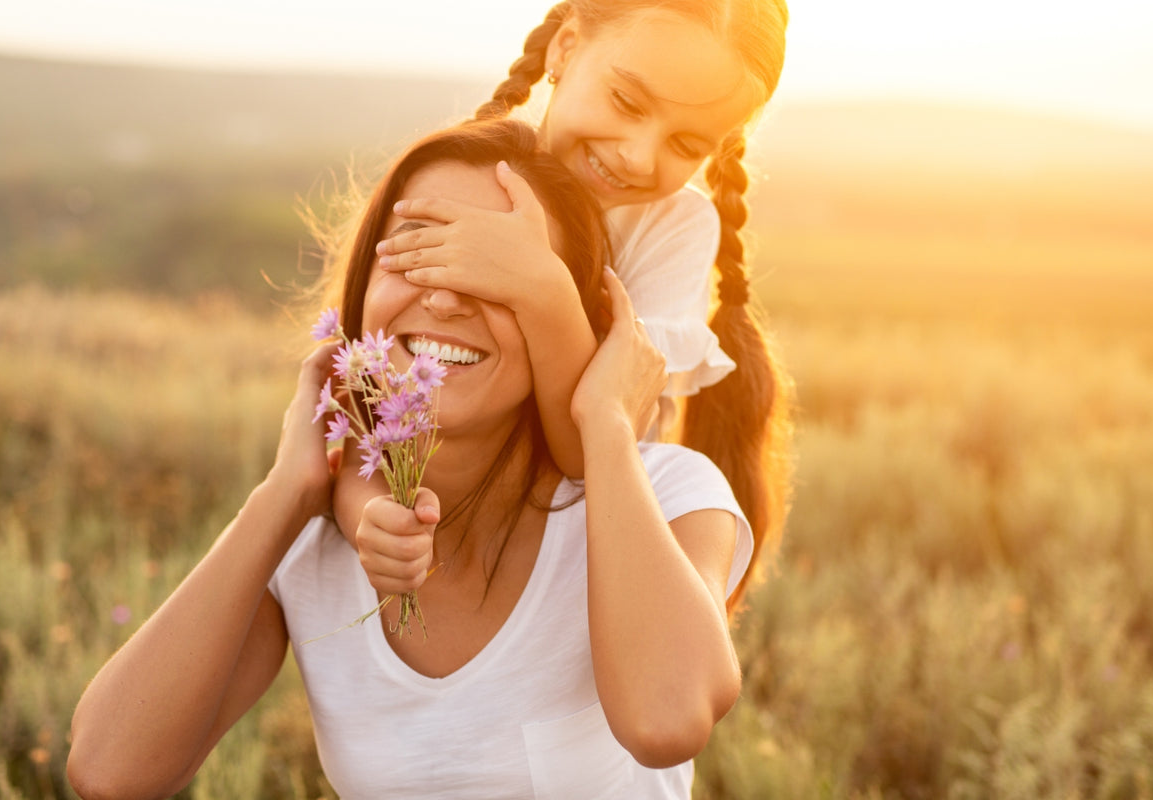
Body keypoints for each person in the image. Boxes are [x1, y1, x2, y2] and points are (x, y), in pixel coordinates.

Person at [67, 119, 771, 799]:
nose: (443, 297)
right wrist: (285, 492)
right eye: (416, 253)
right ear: (363, 294)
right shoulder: (312, 545)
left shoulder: (664, 495)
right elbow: (109, 771)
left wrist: (607, 422)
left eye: (501, 275)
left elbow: (665, 722)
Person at [349, 0, 793, 610]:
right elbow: (364, 405)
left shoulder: (671, 229)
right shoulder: (466, 177)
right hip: (446, 542)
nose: (637, 156)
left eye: (686, 144)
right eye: (628, 103)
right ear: (565, 47)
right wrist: (367, 512)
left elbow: (592, 452)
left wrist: (544, 287)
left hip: (577, 565)